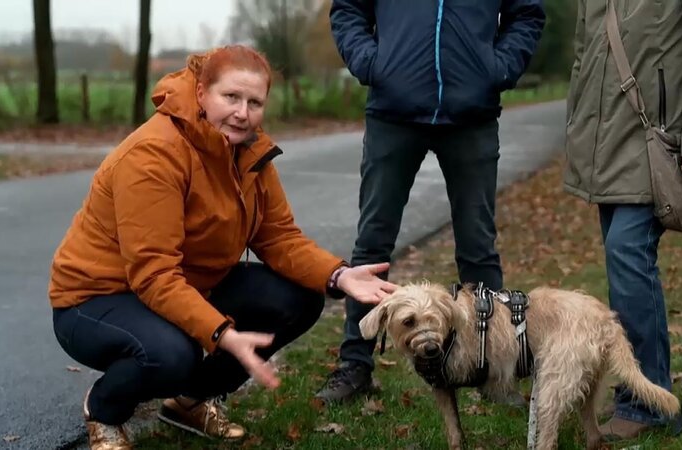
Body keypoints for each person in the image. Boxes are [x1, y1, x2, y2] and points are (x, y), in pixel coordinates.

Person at [48, 45, 398, 449]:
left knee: (301, 297)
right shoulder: (153, 155)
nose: (242, 112)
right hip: (97, 298)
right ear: (201, 94)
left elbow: (279, 237)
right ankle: (104, 411)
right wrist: (222, 333)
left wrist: (338, 274)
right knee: (173, 355)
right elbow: (153, 274)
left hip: (185, 285)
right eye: (230, 97)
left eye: (254, 102)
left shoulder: (250, 152)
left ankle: (189, 400)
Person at [315, 0, 546, 403]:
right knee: (373, 243)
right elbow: (348, 9)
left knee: (478, 245)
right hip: (393, 114)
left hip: (471, 116)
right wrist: (373, 64)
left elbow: (526, 12)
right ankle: (355, 365)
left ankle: (490, 370)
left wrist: (499, 67)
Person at [563, 0, 682, 442]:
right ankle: (644, 388)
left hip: (653, 140)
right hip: (605, 144)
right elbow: (584, 59)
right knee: (625, 269)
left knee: (626, 252)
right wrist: (579, 139)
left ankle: (644, 400)